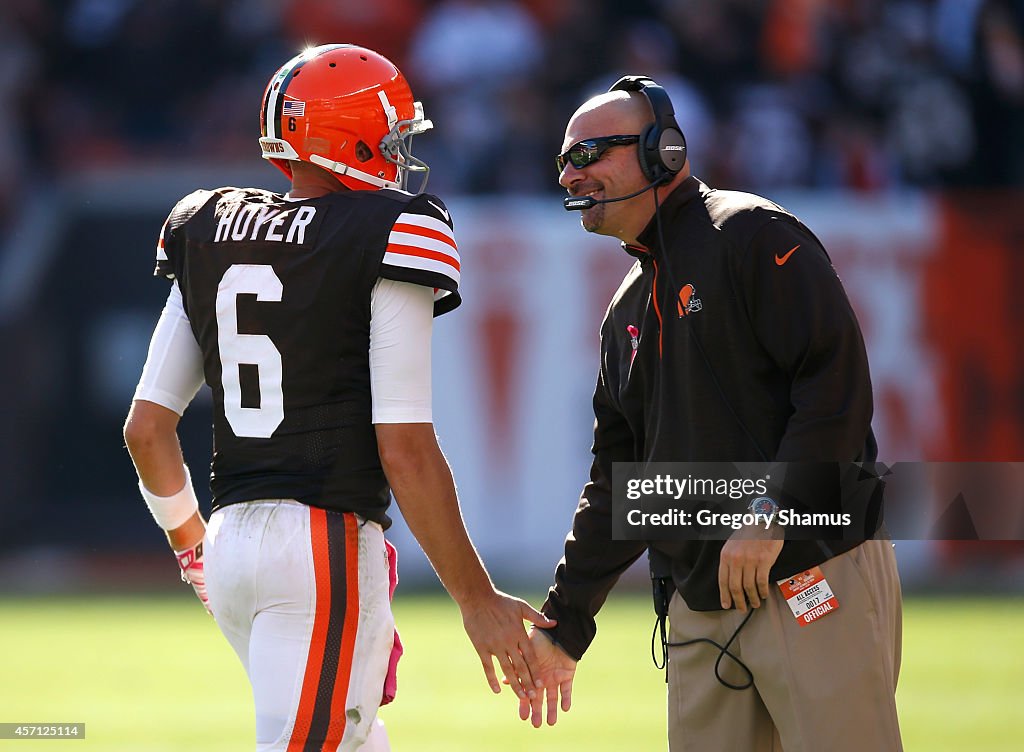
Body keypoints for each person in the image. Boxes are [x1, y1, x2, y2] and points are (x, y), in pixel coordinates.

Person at [122, 44, 553, 752]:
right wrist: (478, 600)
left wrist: (192, 549)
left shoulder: (207, 226)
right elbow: (405, 449)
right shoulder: (391, 229)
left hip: (229, 546)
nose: (399, 152)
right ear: (344, 136)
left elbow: (147, 428)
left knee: (358, 740)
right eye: (388, 137)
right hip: (319, 546)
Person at [519, 76, 903, 751]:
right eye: (563, 161)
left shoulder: (753, 235)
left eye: (589, 155)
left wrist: (772, 511)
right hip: (699, 602)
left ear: (663, 150)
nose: (571, 174)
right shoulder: (624, 308)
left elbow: (834, 387)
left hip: (807, 570)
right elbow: (619, 480)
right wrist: (566, 622)